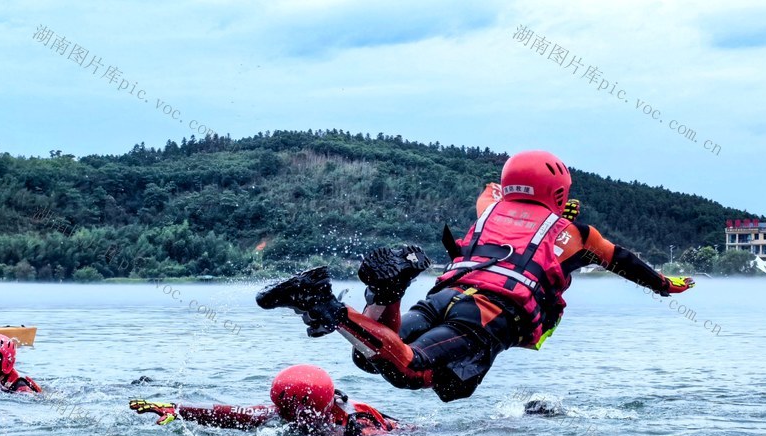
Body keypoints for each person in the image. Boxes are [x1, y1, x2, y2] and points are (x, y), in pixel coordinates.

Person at [256, 149, 695, 402]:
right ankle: (329, 306)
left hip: (442, 296)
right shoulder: (578, 233)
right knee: (416, 374)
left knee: (370, 355)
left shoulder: (490, 206)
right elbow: (626, 262)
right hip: (488, 313)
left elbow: (493, 190)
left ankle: (387, 292)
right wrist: (666, 286)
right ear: (560, 194)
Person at [129, 364, 398, 436]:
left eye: (290, 410)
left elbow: (401, 435)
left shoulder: (360, 427)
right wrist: (177, 410)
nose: (283, 415)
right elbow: (232, 413)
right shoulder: (282, 412)